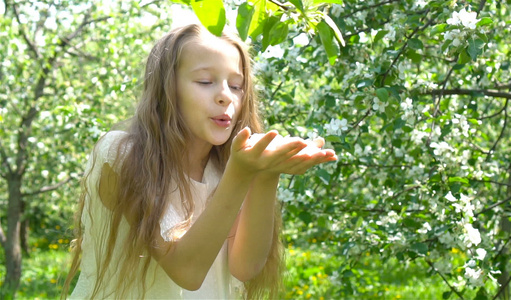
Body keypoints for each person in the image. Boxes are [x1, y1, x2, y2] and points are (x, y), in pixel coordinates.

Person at [62, 23, 337, 299]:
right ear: (167, 90)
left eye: (236, 85)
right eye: (205, 82)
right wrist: (240, 174)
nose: (225, 96)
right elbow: (187, 271)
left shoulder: (226, 165)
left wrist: (267, 175)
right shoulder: (120, 155)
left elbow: (244, 266)